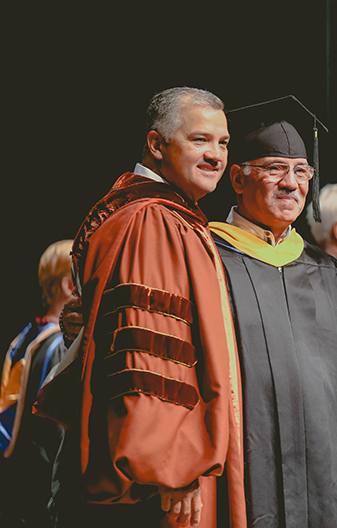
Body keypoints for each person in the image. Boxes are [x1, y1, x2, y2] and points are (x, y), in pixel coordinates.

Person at [35, 87, 246, 527]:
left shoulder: (142, 212)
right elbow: (149, 353)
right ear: (156, 145)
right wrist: (172, 464)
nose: (216, 156)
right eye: (199, 140)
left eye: (223, 142)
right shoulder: (155, 221)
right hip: (156, 482)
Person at [209, 96, 337, 527]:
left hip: (325, 476)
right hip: (242, 465)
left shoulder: (326, 271)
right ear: (237, 178)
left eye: (300, 171)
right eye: (274, 168)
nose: (290, 183)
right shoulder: (207, 258)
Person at [0, 239, 73, 527]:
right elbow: (59, 425)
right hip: (42, 481)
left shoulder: (27, 335)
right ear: (69, 286)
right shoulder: (59, 345)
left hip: (17, 473)